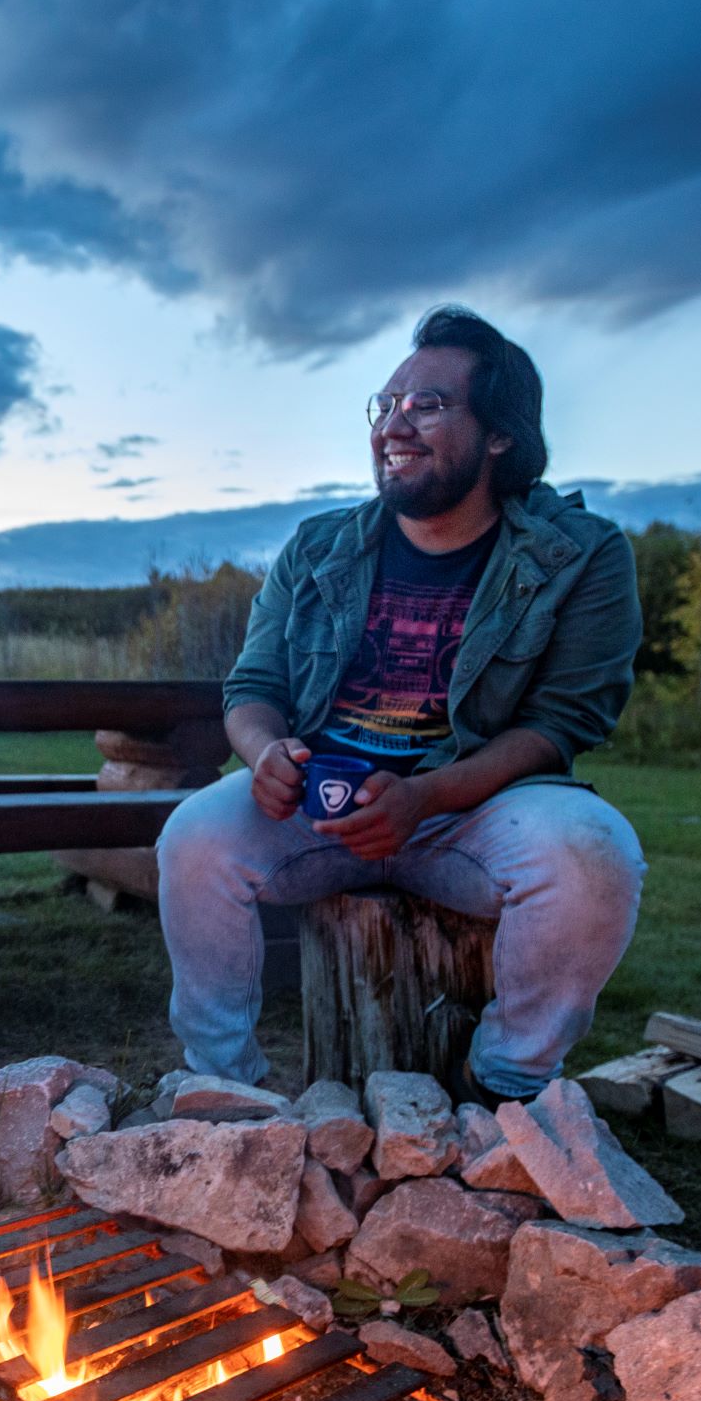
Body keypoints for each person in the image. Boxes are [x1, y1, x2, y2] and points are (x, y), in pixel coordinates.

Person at [155, 305, 647, 1106]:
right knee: (195, 838)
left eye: (427, 405)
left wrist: (425, 796)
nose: (394, 426)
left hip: (470, 810)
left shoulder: (580, 555)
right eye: (384, 406)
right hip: (319, 806)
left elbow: (564, 724)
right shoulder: (318, 547)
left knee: (593, 854)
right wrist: (264, 754)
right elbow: (253, 690)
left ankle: (504, 1093)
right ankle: (224, 1093)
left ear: (500, 435)